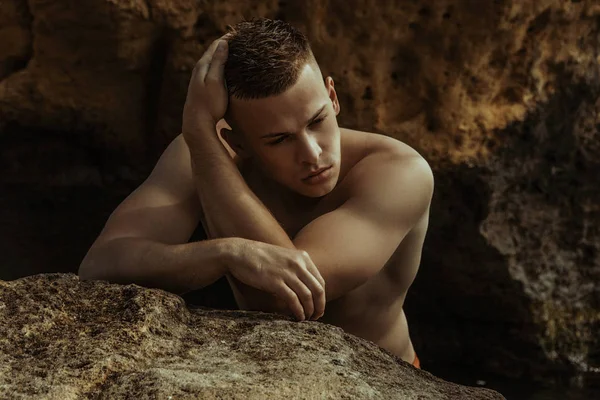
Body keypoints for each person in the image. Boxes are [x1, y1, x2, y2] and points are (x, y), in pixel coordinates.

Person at [78, 18, 433, 369]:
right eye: (279, 139)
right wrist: (225, 253)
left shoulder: (399, 172)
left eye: (317, 121)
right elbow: (100, 266)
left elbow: (288, 297)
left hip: (380, 380)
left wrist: (200, 133)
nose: (312, 154)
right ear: (236, 142)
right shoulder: (205, 153)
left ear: (333, 96)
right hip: (263, 373)